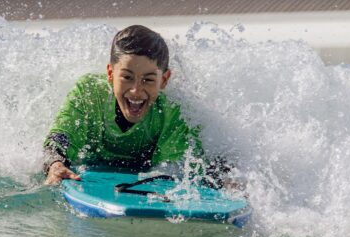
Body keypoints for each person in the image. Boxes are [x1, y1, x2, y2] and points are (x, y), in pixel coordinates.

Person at [42, 24, 226, 186]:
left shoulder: (175, 110)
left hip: (146, 170)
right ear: (110, 73)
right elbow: (60, 138)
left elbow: (173, 173)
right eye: (127, 77)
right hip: (92, 166)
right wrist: (55, 164)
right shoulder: (88, 93)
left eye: (148, 80)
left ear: (164, 79)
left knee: (218, 170)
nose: (136, 91)